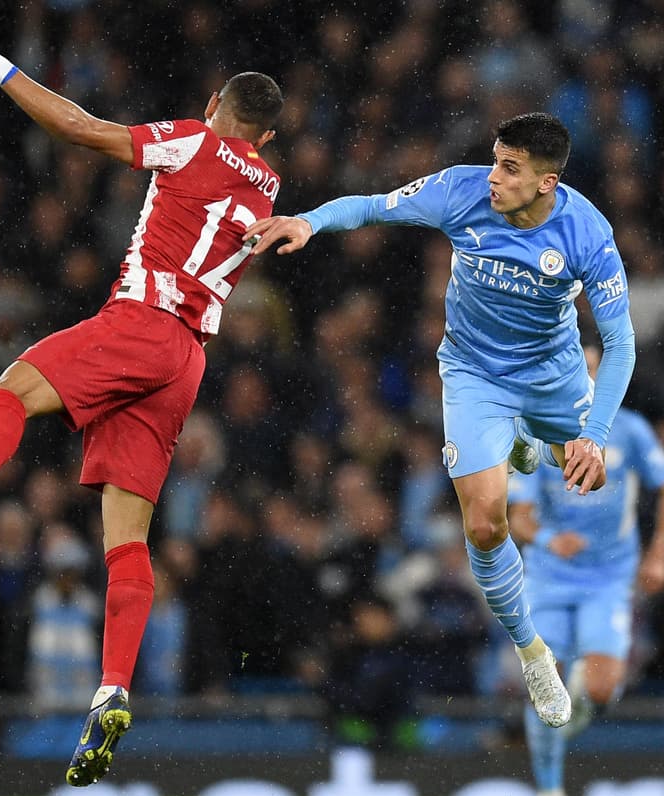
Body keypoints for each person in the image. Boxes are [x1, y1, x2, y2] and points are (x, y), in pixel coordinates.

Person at [0, 26, 283, 786]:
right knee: (128, 539)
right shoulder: (270, 185)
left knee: (4, 391)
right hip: (187, 360)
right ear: (270, 135)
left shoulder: (191, 139)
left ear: (213, 103)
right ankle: (114, 687)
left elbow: (79, 128)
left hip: (142, 322)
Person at [248, 112, 637, 729]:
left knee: (588, 480)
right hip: (473, 375)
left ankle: (534, 439)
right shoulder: (461, 190)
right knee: (484, 527)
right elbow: (374, 206)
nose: (494, 176)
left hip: (553, 375)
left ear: (546, 182)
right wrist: (310, 221)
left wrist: (594, 435)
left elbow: (621, 345)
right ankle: (534, 653)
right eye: (495, 159)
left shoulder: (587, 233)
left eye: (510, 167)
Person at [507, 345, 664, 796]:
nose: (584, 380)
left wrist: (659, 554)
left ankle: (580, 699)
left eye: (591, 371)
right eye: (576, 371)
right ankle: (548, 795)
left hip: (608, 576)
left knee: (603, 687)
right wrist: (547, 538)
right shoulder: (535, 430)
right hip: (549, 574)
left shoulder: (627, 429)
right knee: (543, 688)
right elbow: (517, 515)